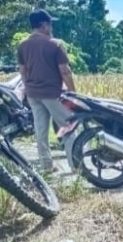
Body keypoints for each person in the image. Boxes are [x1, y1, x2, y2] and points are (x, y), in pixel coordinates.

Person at [17, 9, 75, 172]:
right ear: (43, 25)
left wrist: (27, 88)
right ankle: (75, 165)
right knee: (69, 127)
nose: (51, 26)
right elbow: (65, 71)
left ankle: (47, 166)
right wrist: (73, 93)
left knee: (41, 130)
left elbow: (22, 71)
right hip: (52, 94)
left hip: (33, 94)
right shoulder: (55, 44)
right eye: (49, 23)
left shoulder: (22, 45)